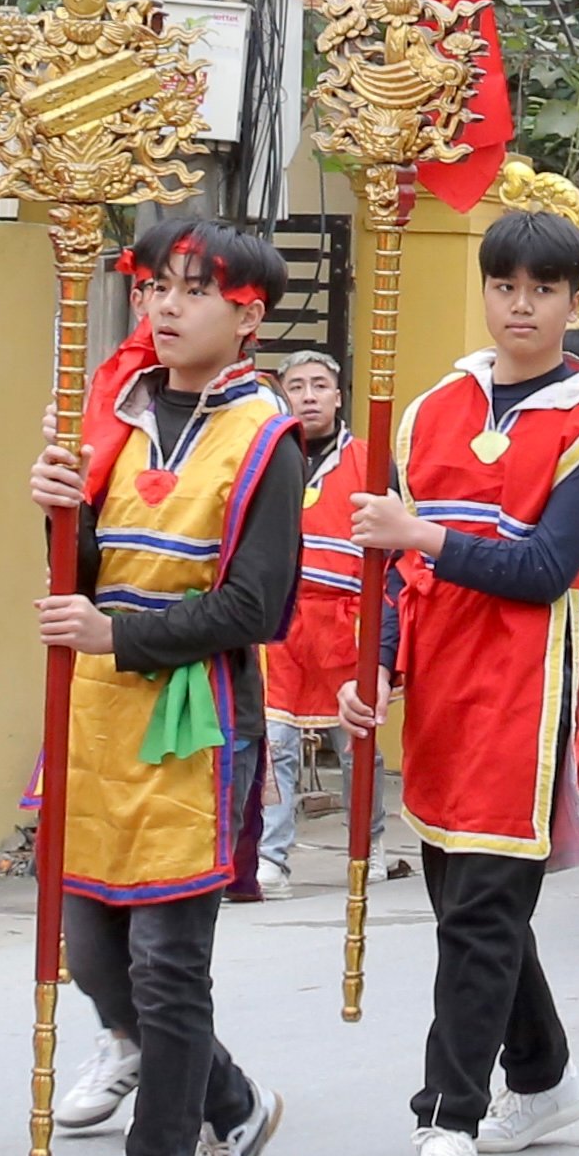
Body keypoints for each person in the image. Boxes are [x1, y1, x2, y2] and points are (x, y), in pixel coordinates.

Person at [16, 218, 301, 1156]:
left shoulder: (267, 434)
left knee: (170, 965)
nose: (166, 307)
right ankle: (234, 1101)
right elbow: (80, 574)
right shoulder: (120, 416)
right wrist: (54, 516)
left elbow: (257, 606)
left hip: (193, 718)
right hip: (95, 712)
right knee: (97, 955)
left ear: (248, 315)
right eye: (155, 288)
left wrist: (120, 631)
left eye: (194, 290)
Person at [359, 206, 579, 1156]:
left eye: (545, 289)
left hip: (524, 677)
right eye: (505, 284)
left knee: (481, 903)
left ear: (573, 299)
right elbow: (385, 569)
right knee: (467, 900)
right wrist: (379, 662)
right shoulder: (432, 405)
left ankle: (447, 1116)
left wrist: (423, 536)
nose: (522, 306)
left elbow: (545, 565)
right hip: (437, 676)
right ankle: (543, 1072)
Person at [259, 348, 365, 898]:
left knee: (353, 741)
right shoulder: (266, 457)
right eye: (296, 386)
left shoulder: (369, 462)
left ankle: (363, 852)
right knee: (275, 740)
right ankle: (271, 857)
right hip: (282, 620)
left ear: (338, 395)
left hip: (345, 623)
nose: (308, 396)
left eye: (319, 385)